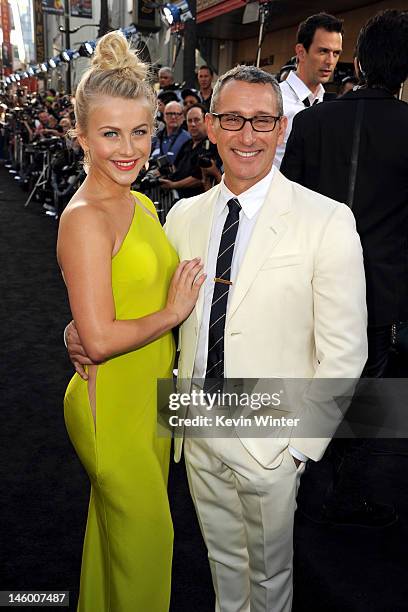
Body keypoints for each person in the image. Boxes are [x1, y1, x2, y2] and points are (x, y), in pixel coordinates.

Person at [67, 65, 367, 611]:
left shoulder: (326, 220)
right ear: (211, 125)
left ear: (282, 129)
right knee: (223, 569)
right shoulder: (182, 216)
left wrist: (300, 448)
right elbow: (139, 296)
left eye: (261, 121)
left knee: (272, 581)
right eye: (232, 119)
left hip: (271, 439)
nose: (246, 135)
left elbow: (346, 348)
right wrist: (79, 330)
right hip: (195, 426)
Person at [58, 31, 205, 611]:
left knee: (114, 542)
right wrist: (172, 312)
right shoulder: (85, 219)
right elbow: (96, 338)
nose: (128, 149)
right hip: (109, 405)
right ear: (82, 136)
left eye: (140, 132)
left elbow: (109, 303)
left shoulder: (141, 203)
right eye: (110, 133)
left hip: (150, 400)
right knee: (150, 542)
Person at [281, 9, 408, 525]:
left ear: (357, 58)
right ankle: (344, 490)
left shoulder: (313, 122)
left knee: (307, 374)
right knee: (366, 392)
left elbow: (285, 204)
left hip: (310, 280)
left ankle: (294, 474)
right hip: (379, 293)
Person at [274, 12, 343, 168]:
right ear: (301, 52)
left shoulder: (331, 105)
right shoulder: (274, 99)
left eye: (336, 53)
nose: (330, 61)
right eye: (323, 51)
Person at [159, 103, 221, 198]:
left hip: (200, 200)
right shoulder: (187, 144)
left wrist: (173, 185)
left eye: (196, 120)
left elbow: (199, 178)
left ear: (206, 122)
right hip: (180, 200)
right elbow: (175, 168)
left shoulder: (213, 144)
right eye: (189, 121)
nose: (192, 124)